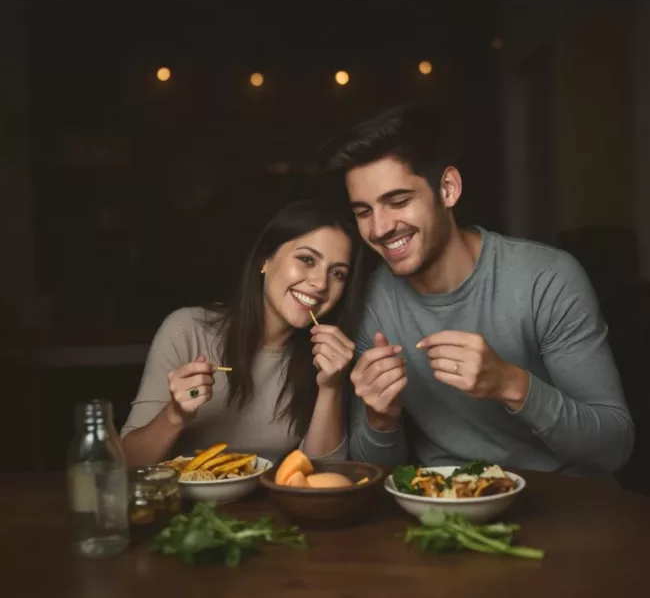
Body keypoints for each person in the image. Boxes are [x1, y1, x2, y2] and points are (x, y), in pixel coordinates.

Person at [319, 104, 634, 478]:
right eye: (363, 211)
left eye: (398, 201)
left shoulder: (545, 279)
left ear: (448, 189)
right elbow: (371, 470)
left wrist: (513, 386)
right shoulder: (374, 300)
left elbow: (615, 448)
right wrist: (380, 419)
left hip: (564, 503)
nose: (380, 228)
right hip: (446, 505)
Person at [121, 199, 366, 467]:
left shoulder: (328, 357)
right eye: (307, 260)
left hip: (271, 507)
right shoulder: (185, 330)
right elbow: (129, 463)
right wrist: (174, 415)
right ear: (265, 260)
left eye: (338, 273)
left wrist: (331, 387)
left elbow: (322, 477)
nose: (320, 283)